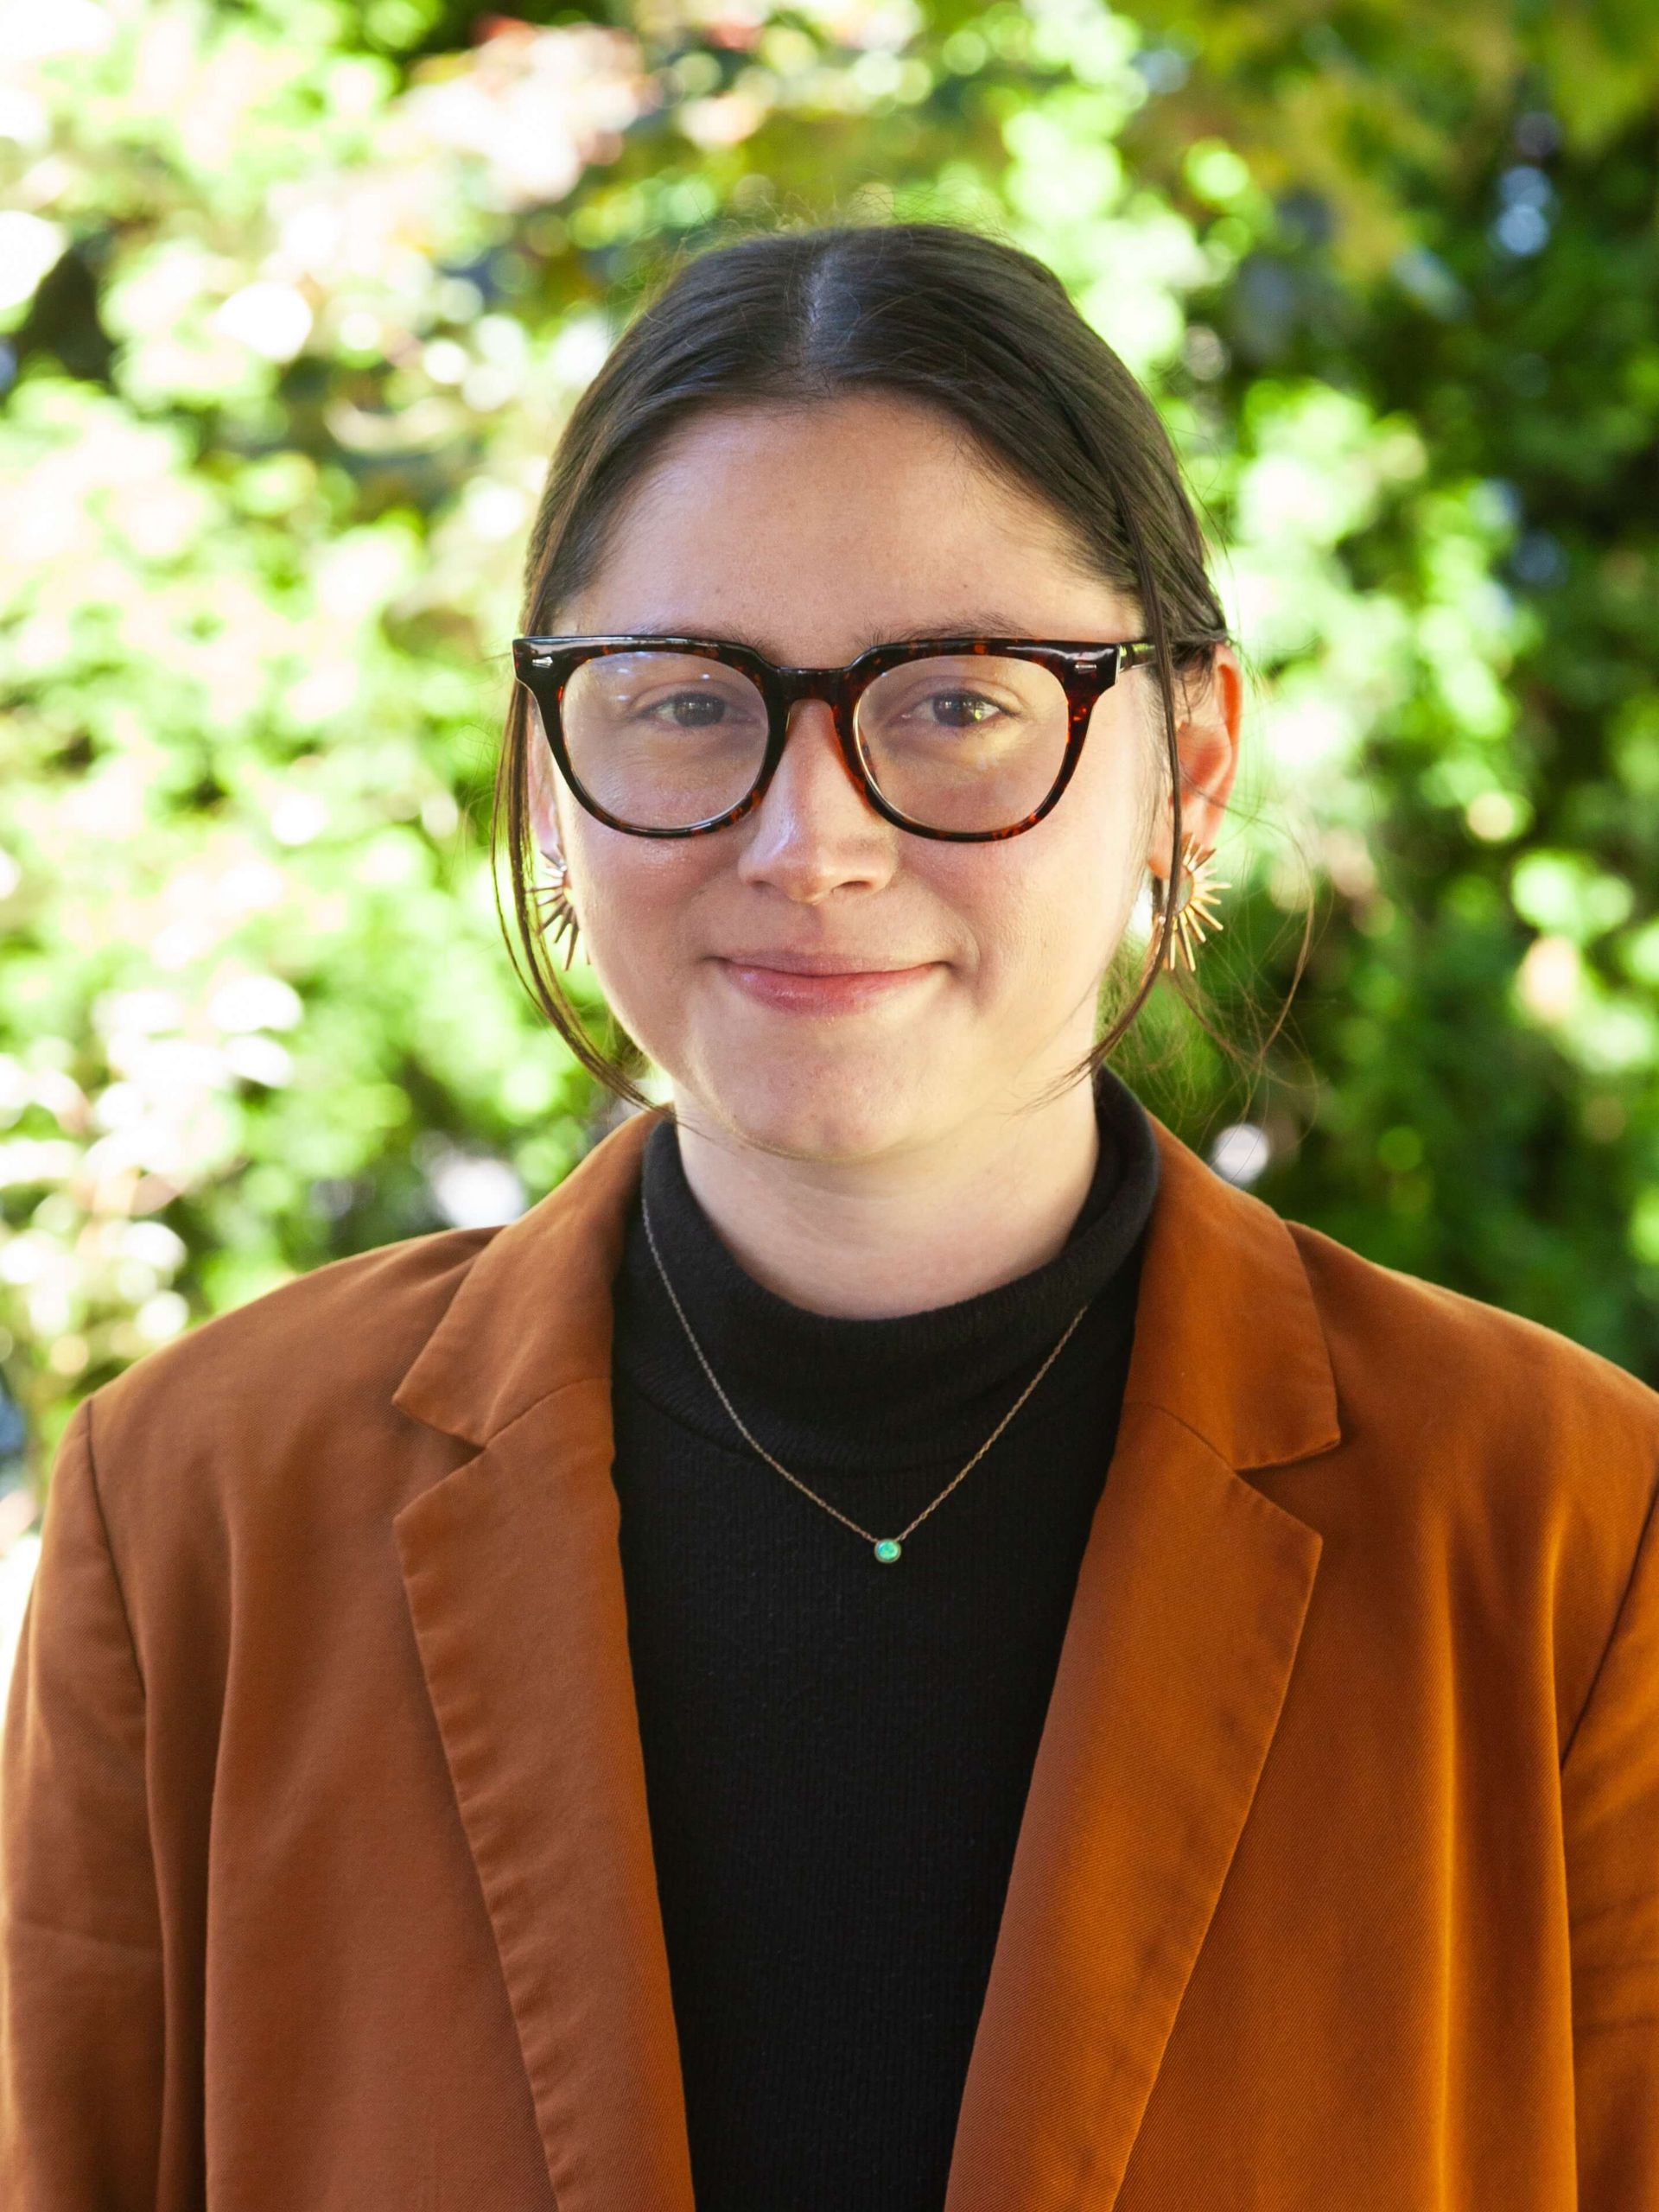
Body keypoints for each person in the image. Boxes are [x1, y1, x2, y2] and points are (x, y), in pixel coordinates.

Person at [3, 220, 1656, 2212]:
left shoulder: (1569, 1532)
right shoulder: (198, 1507)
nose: (815, 841)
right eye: (689, 700)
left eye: (957, 702)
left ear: (1191, 766)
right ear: (547, 767)